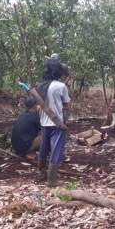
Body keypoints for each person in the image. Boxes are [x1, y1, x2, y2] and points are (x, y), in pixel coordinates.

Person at [37, 59, 71, 187]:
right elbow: (67, 105)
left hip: (44, 122)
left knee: (43, 148)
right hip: (57, 123)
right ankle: (52, 181)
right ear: (58, 71)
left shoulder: (40, 85)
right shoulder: (60, 86)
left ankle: (41, 172)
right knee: (56, 151)